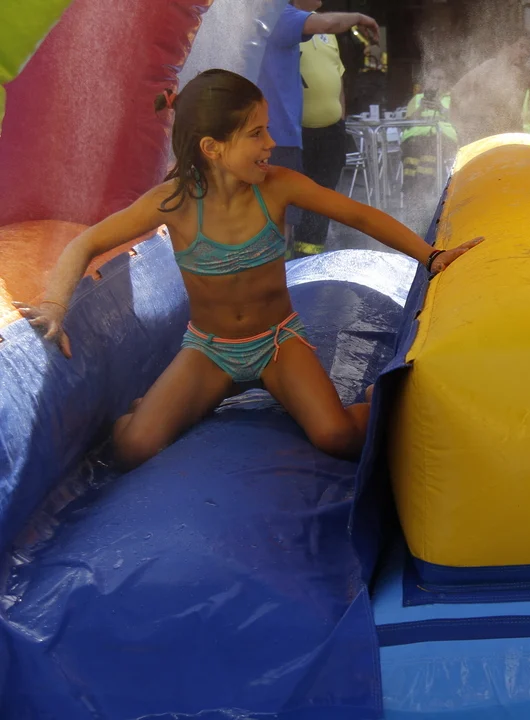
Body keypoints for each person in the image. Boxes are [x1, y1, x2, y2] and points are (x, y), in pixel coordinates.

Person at [14, 70, 480, 470]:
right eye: (256, 134)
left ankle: (379, 402)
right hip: (210, 351)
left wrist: (430, 256)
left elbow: (359, 215)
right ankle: (147, 409)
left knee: (336, 436)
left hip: (277, 343)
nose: (271, 143)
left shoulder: (276, 187)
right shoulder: (173, 202)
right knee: (134, 447)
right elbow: (85, 243)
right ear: (212, 148)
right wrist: (54, 305)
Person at [257, 0, 378, 242]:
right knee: (284, 210)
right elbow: (327, 23)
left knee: (314, 200)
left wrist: (340, 119)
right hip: (287, 133)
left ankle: (305, 256)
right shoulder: (282, 17)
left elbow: (336, 75)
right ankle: (285, 261)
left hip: (317, 133)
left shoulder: (318, 29)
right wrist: (358, 18)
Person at [294, 28, 350, 258]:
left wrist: (341, 118)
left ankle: (311, 254)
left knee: (325, 193)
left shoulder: (328, 32)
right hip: (297, 132)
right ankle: (291, 257)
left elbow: (338, 78)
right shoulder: (286, 25)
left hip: (332, 132)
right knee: (296, 192)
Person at [449, 31, 530, 146]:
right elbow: (455, 92)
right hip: (484, 137)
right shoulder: (488, 68)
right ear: (506, 46)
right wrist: (460, 128)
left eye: (529, 49)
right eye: (521, 46)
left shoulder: (525, 75)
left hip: (510, 137)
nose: (526, 53)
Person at [401, 67, 458, 230]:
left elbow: (459, 121)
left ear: (446, 82)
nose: (436, 81)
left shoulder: (452, 100)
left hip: (441, 142)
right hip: (415, 142)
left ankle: (423, 203)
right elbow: (406, 122)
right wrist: (420, 109)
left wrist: (441, 108)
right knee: (411, 166)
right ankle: (412, 201)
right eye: (433, 78)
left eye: (440, 78)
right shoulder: (417, 99)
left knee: (427, 159)